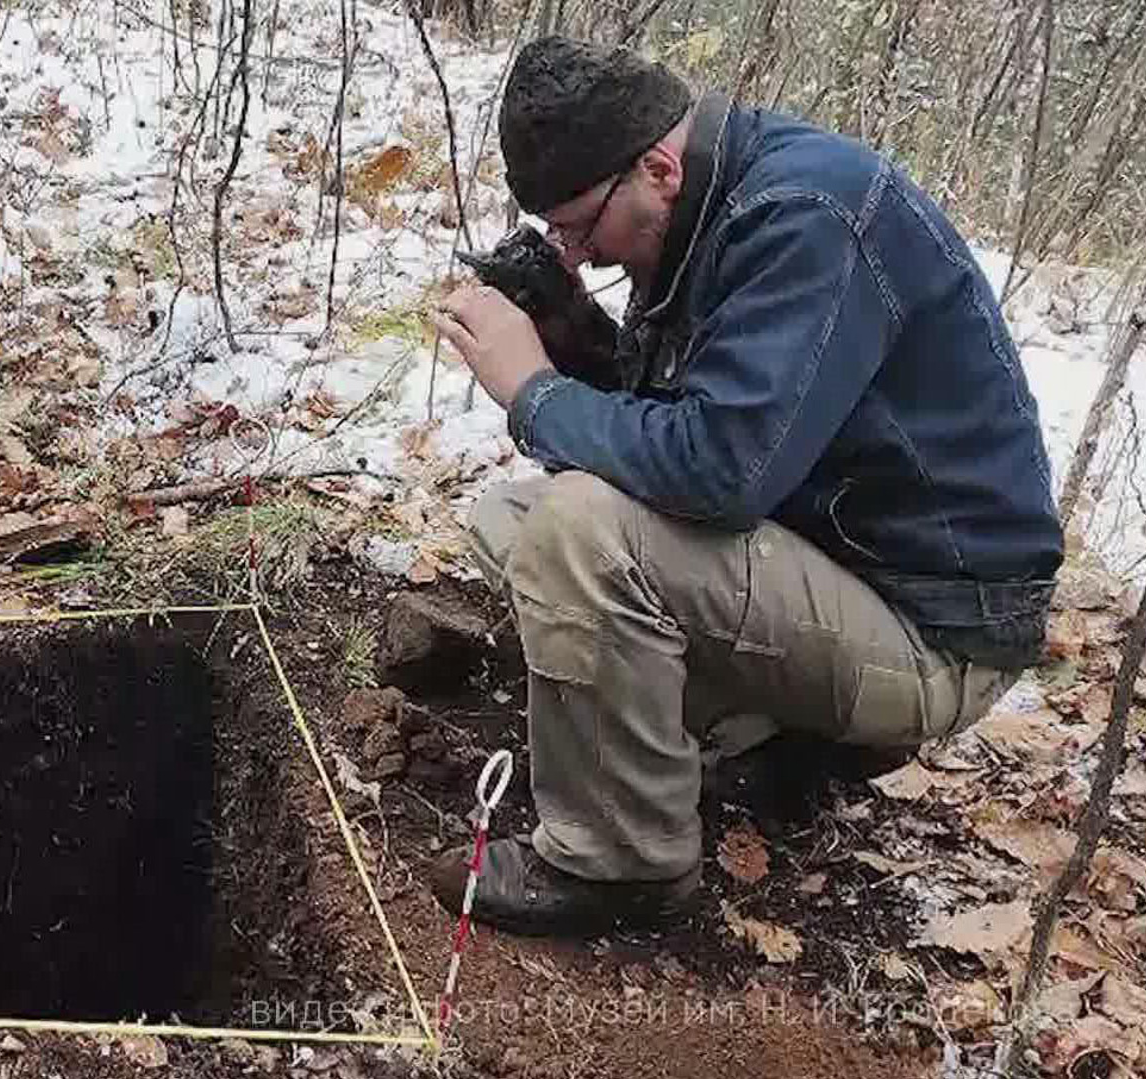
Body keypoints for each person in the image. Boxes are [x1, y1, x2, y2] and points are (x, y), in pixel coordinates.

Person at [426, 36, 1064, 935]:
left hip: (932, 631)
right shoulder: (699, 207)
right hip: (832, 559)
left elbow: (717, 473)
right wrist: (569, 329)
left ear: (656, 166)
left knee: (576, 530)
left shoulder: (807, 214)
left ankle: (622, 863)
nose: (573, 254)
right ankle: (760, 739)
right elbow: (701, 430)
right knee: (514, 522)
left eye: (578, 227)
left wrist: (534, 392)